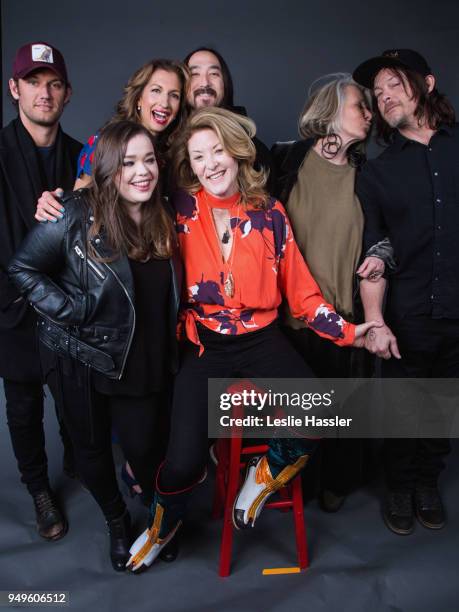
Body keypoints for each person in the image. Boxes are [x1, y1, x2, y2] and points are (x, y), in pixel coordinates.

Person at [125, 106, 379, 572]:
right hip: (204, 344)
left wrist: (349, 333)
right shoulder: (178, 206)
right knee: (181, 462)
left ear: (237, 152)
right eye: (199, 157)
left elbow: (302, 294)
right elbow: (122, 184)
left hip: (262, 338)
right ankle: (163, 526)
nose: (210, 164)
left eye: (217, 150)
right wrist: (73, 193)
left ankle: (264, 474)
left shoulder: (271, 215)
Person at [8, 120, 181, 571]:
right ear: (108, 170)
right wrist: (71, 310)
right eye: (128, 163)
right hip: (77, 358)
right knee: (91, 451)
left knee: (145, 449)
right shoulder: (72, 213)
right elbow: (23, 268)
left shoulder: (165, 217)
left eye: (148, 160)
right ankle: (118, 521)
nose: (142, 172)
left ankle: (160, 520)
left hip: (138, 359)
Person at [271, 73, 395, 511]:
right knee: (298, 417)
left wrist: (381, 257)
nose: (368, 111)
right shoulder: (286, 161)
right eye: (359, 104)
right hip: (290, 322)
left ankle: (335, 483)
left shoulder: (368, 175)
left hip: (345, 321)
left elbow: (380, 242)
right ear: (331, 110)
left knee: (343, 417)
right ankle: (295, 481)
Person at [353, 49, 457, 535]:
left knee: (443, 407)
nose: (386, 97)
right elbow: (376, 249)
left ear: (427, 83)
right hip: (409, 310)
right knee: (403, 409)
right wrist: (376, 321)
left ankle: (426, 484)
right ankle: (398, 486)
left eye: (394, 84)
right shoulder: (377, 172)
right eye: (378, 94)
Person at [0, 41, 81, 541]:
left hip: (71, 309)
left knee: (77, 397)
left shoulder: (81, 155)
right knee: (24, 404)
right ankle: (38, 490)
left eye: (53, 83)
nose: (43, 93)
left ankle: (79, 460)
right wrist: (38, 234)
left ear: (67, 93)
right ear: (14, 89)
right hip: (11, 306)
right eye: (33, 82)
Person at [184, 47, 275, 191]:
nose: (205, 83)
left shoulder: (254, 150)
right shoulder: (169, 148)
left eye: (214, 74)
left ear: (225, 84)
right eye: (194, 74)